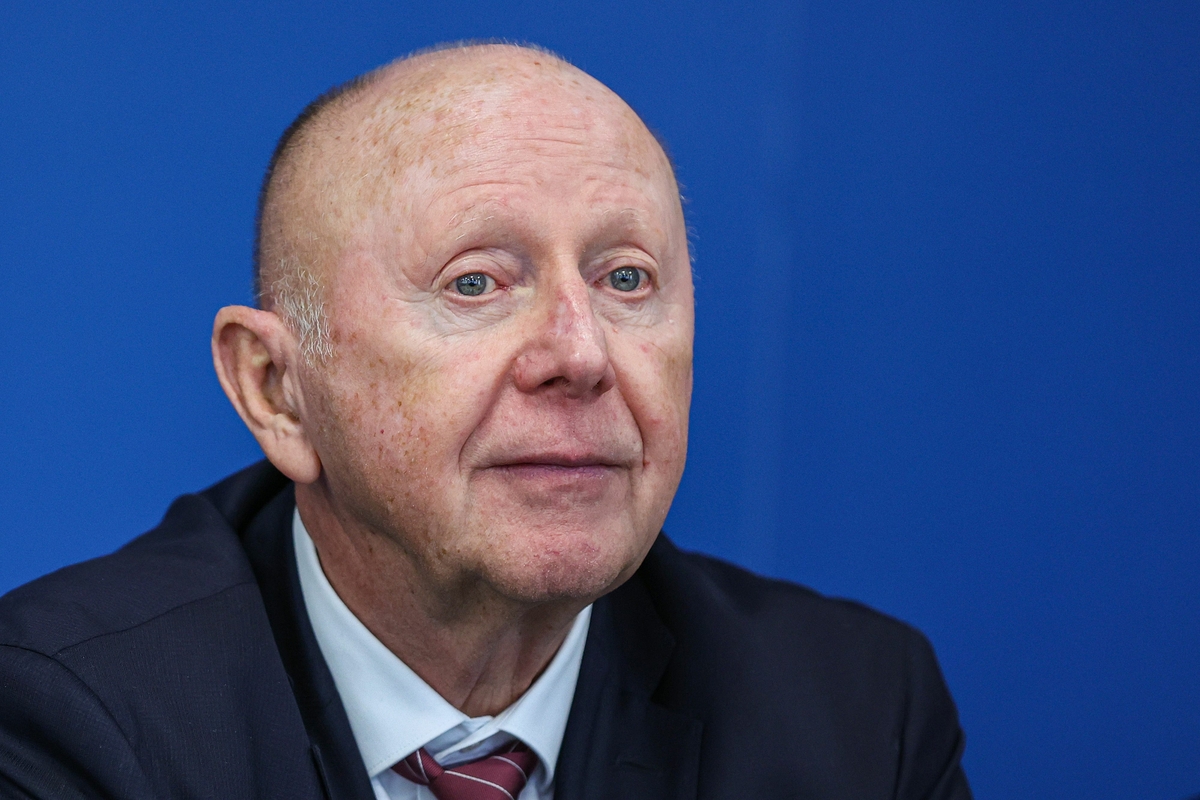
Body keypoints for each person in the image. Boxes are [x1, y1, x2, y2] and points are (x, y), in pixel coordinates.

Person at [0, 43, 971, 799]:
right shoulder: (67, 715)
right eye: (476, 283)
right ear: (278, 389)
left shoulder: (858, 717)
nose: (582, 353)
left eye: (626, 278)